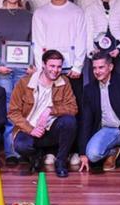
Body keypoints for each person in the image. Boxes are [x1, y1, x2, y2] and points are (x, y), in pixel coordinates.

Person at [30, 0, 86, 169]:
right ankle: (50, 152)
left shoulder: (76, 12)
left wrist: (78, 66)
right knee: (46, 112)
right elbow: (37, 42)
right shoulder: (41, 13)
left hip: (71, 71)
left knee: (71, 113)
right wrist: (41, 70)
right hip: (49, 72)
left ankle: (71, 152)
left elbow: (81, 40)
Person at [8, 49, 79, 178]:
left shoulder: (64, 82)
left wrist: (50, 110)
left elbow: (73, 108)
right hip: (30, 130)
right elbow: (13, 112)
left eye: (59, 67)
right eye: (52, 66)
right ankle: (36, 156)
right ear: (43, 65)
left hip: (51, 129)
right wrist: (31, 129)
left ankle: (61, 161)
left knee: (70, 121)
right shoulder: (24, 83)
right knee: (21, 145)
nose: (55, 70)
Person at [0, 0, 33, 167]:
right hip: (4, 68)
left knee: (23, 108)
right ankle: (10, 151)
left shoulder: (29, 15)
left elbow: (33, 41)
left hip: (24, 68)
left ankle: (22, 148)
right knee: (7, 108)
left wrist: (32, 64)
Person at [81, 53, 120, 174]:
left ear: (110, 67)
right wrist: (83, 153)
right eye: (94, 68)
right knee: (92, 155)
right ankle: (112, 152)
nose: (97, 71)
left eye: (101, 67)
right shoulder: (90, 89)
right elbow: (86, 122)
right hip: (106, 130)